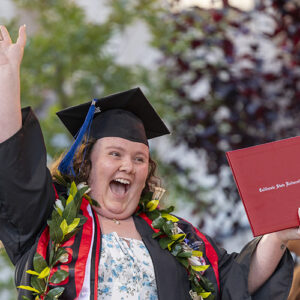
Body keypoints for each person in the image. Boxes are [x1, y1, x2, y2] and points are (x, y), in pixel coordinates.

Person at [0, 24, 298, 300]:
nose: (128, 166)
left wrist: (278, 235)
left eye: (139, 158)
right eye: (115, 154)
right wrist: (8, 81)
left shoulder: (176, 237)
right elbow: (16, 171)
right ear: (86, 165)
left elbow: (233, 281)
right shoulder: (52, 220)